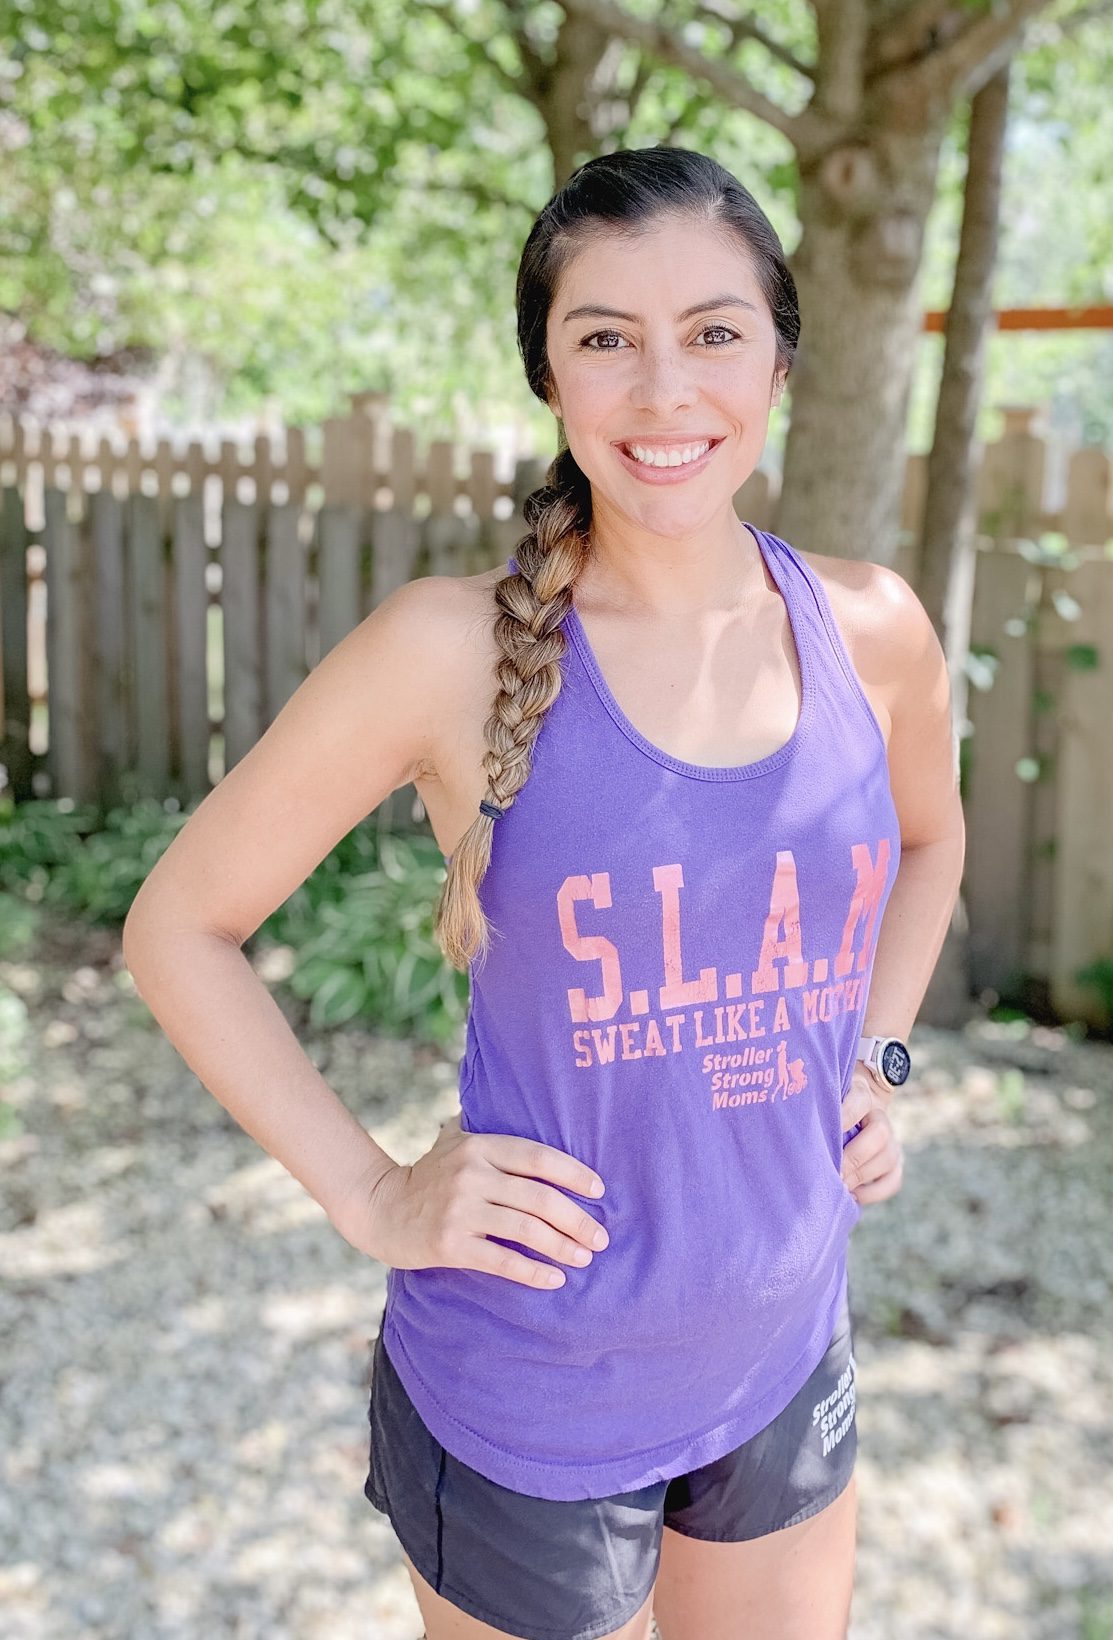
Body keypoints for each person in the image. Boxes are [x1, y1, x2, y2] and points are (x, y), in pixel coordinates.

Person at [123, 145, 965, 1640]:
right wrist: (373, 1193)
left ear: (779, 360)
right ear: (550, 377)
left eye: (714, 331)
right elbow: (179, 928)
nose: (666, 390)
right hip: (532, 1396)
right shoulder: (446, 652)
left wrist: (877, 1056)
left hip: (782, 1353)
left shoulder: (874, 629)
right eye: (606, 338)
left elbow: (931, 843)